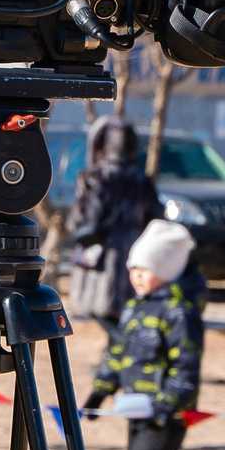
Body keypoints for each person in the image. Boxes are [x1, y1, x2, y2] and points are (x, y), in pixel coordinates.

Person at [84, 219, 205, 450]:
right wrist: (99, 393)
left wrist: (167, 405)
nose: (138, 275)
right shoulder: (135, 310)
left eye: (147, 269)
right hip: (136, 410)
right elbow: (117, 354)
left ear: (168, 270)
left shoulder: (179, 312)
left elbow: (186, 366)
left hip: (167, 414)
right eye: (134, 268)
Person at [66, 117, 161, 329]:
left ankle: (119, 353)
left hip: (103, 254)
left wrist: (76, 224)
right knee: (123, 314)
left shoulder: (98, 175)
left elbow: (88, 216)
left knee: (99, 310)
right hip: (135, 253)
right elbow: (155, 216)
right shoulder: (141, 178)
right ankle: (116, 354)